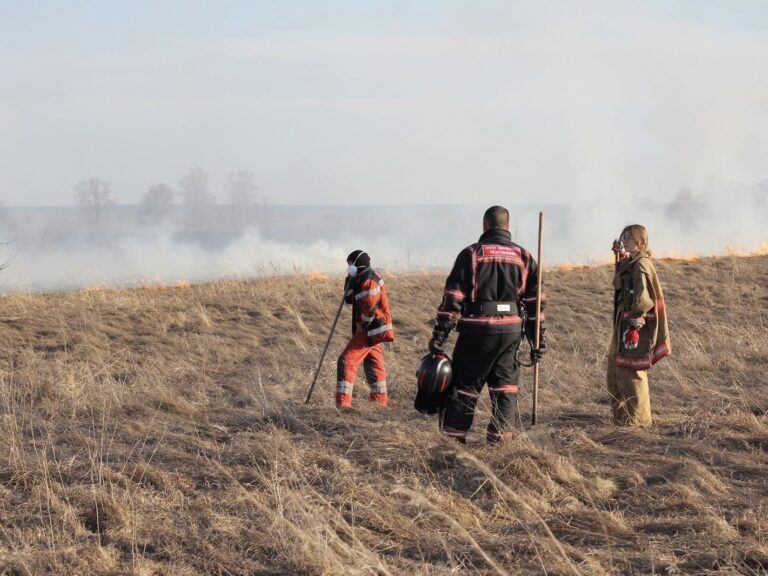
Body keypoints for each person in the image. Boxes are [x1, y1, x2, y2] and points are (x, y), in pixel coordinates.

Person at [428, 206, 547, 444]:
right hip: (511, 333)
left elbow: (453, 297)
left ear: (485, 226)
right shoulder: (524, 257)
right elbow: (536, 303)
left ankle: (453, 445)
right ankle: (500, 444)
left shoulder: (471, 254)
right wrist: (538, 339)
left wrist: (440, 334)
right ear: (508, 227)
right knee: (505, 390)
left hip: (476, 332)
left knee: (464, 390)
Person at [608, 225, 671, 427]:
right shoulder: (633, 263)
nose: (625, 240)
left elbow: (643, 299)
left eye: (629, 238)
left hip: (634, 325)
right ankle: (622, 420)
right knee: (616, 371)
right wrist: (621, 256)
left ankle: (639, 423)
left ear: (640, 241)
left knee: (633, 372)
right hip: (623, 324)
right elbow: (621, 283)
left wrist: (634, 326)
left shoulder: (641, 265)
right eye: (623, 237)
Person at [336, 250, 394, 408]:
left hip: (370, 329)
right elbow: (348, 299)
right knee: (373, 363)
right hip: (372, 330)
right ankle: (379, 402)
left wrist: (363, 324)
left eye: (350, 264)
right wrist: (350, 279)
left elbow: (369, 307)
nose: (348, 267)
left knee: (346, 361)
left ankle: (343, 404)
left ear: (358, 264)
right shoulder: (360, 278)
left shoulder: (369, 280)